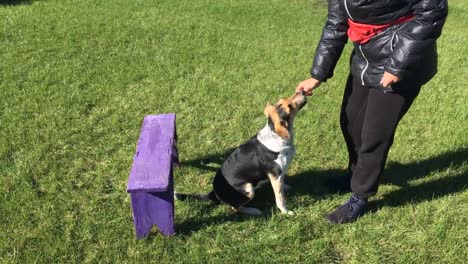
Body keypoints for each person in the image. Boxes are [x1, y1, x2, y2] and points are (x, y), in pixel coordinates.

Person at [296, 0, 448, 224]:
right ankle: (354, 174)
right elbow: (335, 25)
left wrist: (398, 65)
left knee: (374, 134)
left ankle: (360, 195)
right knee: (350, 122)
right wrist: (317, 74)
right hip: (366, 60)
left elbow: (432, 11)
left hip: (400, 62)